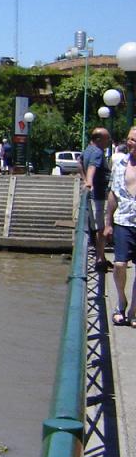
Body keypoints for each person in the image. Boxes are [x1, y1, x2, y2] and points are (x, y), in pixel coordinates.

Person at [105, 126, 136, 326]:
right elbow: (113, 194)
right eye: (129, 139)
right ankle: (121, 300)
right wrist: (107, 223)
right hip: (123, 220)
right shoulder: (120, 163)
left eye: (134, 140)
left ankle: (134, 309)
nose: (131, 143)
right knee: (119, 264)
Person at [83, 127, 113, 273]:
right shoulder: (98, 152)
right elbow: (92, 168)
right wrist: (89, 182)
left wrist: (84, 180)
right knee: (100, 229)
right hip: (98, 196)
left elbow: (79, 162)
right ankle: (99, 259)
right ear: (99, 139)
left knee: (96, 227)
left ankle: (100, 257)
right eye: (107, 138)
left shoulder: (87, 149)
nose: (109, 141)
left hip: (93, 196)